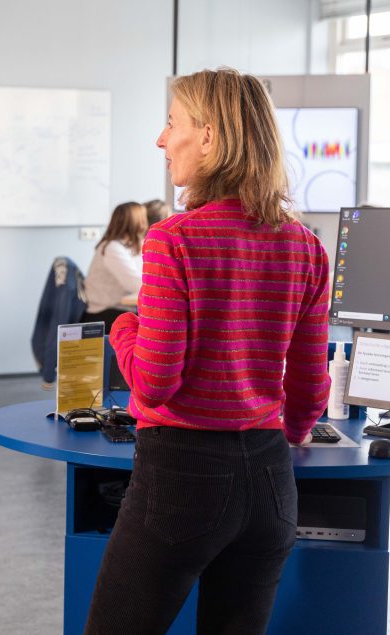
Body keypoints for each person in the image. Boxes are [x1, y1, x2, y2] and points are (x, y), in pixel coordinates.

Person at [85, 68, 331, 634]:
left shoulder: (176, 239)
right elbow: (310, 390)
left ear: (211, 137)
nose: (160, 139)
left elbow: (153, 384)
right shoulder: (306, 247)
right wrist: (282, 439)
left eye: (172, 123)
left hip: (181, 479)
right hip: (271, 484)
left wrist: (124, 328)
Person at [80, 201, 147, 329]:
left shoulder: (129, 245)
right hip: (103, 313)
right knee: (156, 323)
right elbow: (136, 285)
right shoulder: (112, 248)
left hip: (118, 308)